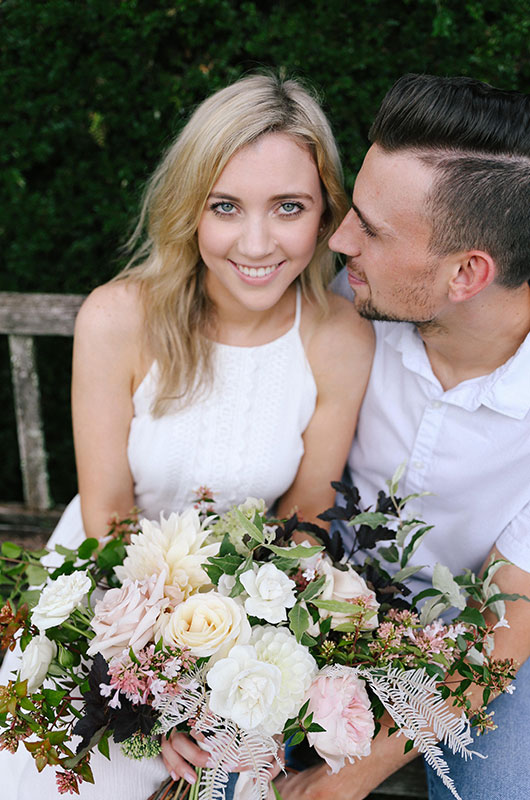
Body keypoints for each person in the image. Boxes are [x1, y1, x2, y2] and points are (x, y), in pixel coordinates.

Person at [0, 74, 374, 798]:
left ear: (326, 209)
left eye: (289, 207)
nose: (256, 243)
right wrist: (150, 695)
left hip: (251, 621)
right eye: (225, 207)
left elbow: (301, 520)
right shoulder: (119, 317)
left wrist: (233, 666)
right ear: (190, 209)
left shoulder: (338, 336)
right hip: (103, 602)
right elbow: (107, 514)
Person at [276, 74, 530, 800]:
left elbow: (509, 623)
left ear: (467, 273)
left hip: (491, 636)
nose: (338, 238)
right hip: (329, 607)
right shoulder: (342, 320)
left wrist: (355, 774)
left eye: (372, 229)